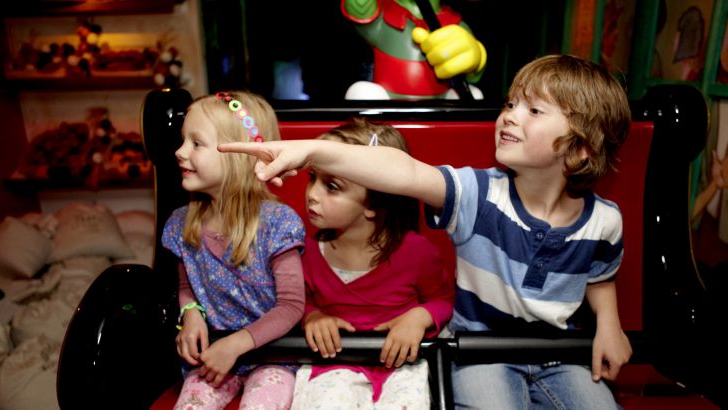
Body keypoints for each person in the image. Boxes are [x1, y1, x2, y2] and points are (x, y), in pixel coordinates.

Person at [219, 54, 634, 409]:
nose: (509, 114)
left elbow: (599, 276)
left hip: (562, 354)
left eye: (534, 110)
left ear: (581, 148)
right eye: (511, 103)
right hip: (480, 354)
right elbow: (401, 172)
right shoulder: (476, 194)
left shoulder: (605, 221)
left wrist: (609, 328)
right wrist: (313, 149)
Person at [290, 118, 454, 409]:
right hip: (333, 364)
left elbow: (443, 300)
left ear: (375, 204)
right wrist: (313, 317)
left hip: (402, 364)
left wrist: (419, 316)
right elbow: (296, 301)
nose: (312, 194)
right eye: (312, 177)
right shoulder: (305, 252)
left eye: (331, 185)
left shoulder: (417, 253)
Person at [162, 91, 305, 410]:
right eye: (183, 140)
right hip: (212, 357)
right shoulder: (180, 224)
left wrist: (236, 345)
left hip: (274, 357)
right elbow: (187, 288)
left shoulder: (278, 224)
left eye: (196, 143)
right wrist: (191, 314)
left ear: (238, 155)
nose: (179, 151)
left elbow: (292, 306)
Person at [342, 0, 486, 100]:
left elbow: (472, 75)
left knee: (475, 95)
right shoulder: (382, 14)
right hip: (384, 108)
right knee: (361, 93)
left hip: (440, 107)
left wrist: (477, 58)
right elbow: (358, 6)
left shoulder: (455, 23)